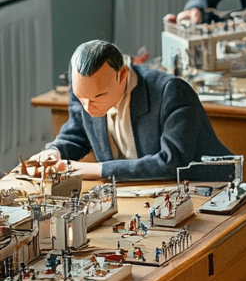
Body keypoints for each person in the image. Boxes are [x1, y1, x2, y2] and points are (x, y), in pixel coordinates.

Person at [31, 41, 233, 181]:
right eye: (80, 97)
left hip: (203, 188)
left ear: (123, 74)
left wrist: (97, 170)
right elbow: (77, 133)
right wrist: (53, 152)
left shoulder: (171, 92)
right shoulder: (85, 88)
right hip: (131, 191)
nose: (87, 106)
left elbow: (172, 163)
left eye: (97, 97)